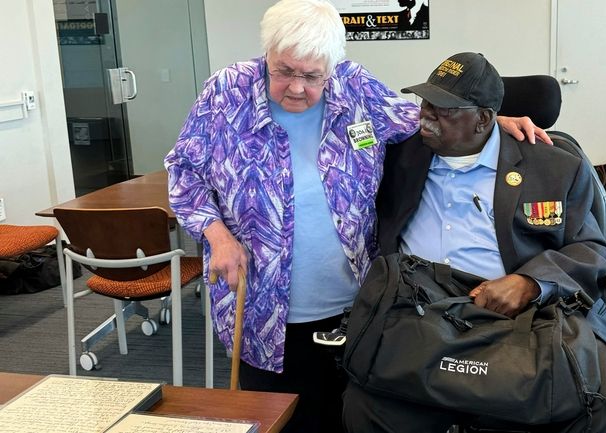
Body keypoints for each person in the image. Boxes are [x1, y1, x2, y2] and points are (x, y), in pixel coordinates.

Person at [164, 1, 549, 432]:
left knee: (347, 417)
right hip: (260, 308)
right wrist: (217, 235)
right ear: (266, 54)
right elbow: (184, 171)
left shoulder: (355, 88)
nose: (296, 88)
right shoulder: (226, 93)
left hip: (354, 308)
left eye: (311, 76)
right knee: (278, 421)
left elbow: (415, 119)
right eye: (283, 70)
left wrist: (492, 124)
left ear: (332, 67)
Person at [343, 52, 606, 433]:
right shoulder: (399, 154)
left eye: (444, 109)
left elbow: (591, 248)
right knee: (365, 403)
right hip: (424, 312)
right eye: (426, 103)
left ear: (483, 119)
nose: (425, 116)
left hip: (535, 316)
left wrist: (531, 283)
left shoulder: (555, 166)